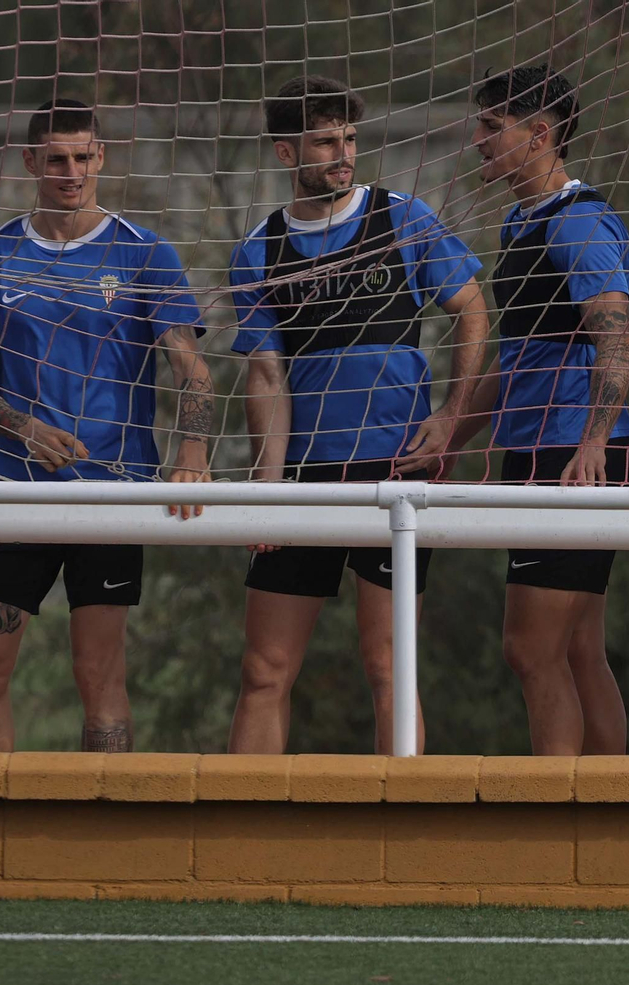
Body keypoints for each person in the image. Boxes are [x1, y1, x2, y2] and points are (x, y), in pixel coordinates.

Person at [227, 75, 490, 755]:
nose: (343, 153)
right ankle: (239, 836)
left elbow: (472, 310)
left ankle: (402, 837)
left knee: (387, 667)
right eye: (325, 140)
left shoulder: (402, 217)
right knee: (264, 671)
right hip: (307, 477)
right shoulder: (259, 250)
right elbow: (265, 374)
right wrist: (268, 487)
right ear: (287, 154)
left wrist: (450, 418)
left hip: (394, 472)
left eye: (349, 138)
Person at [0, 97, 214, 752]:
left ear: (101, 158)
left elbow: (193, 371)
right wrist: (25, 429)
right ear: (31, 161)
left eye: (83, 157)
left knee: (99, 671)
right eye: (57, 159)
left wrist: (194, 452)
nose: (71, 171)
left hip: (112, 492)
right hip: (11, 494)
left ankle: (107, 836)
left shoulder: (145, 254)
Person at [445, 64, 629, 756]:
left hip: (570, 457)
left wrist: (595, 442)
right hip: (533, 451)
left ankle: (558, 821)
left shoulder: (580, 222)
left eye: (492, 129)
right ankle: (610, 818)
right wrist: (453, 434)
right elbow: (517, 360)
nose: (478, 142)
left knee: (529, 650)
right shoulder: (520, 222)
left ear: (541, 135)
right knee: (578, 651)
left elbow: (616, 339)